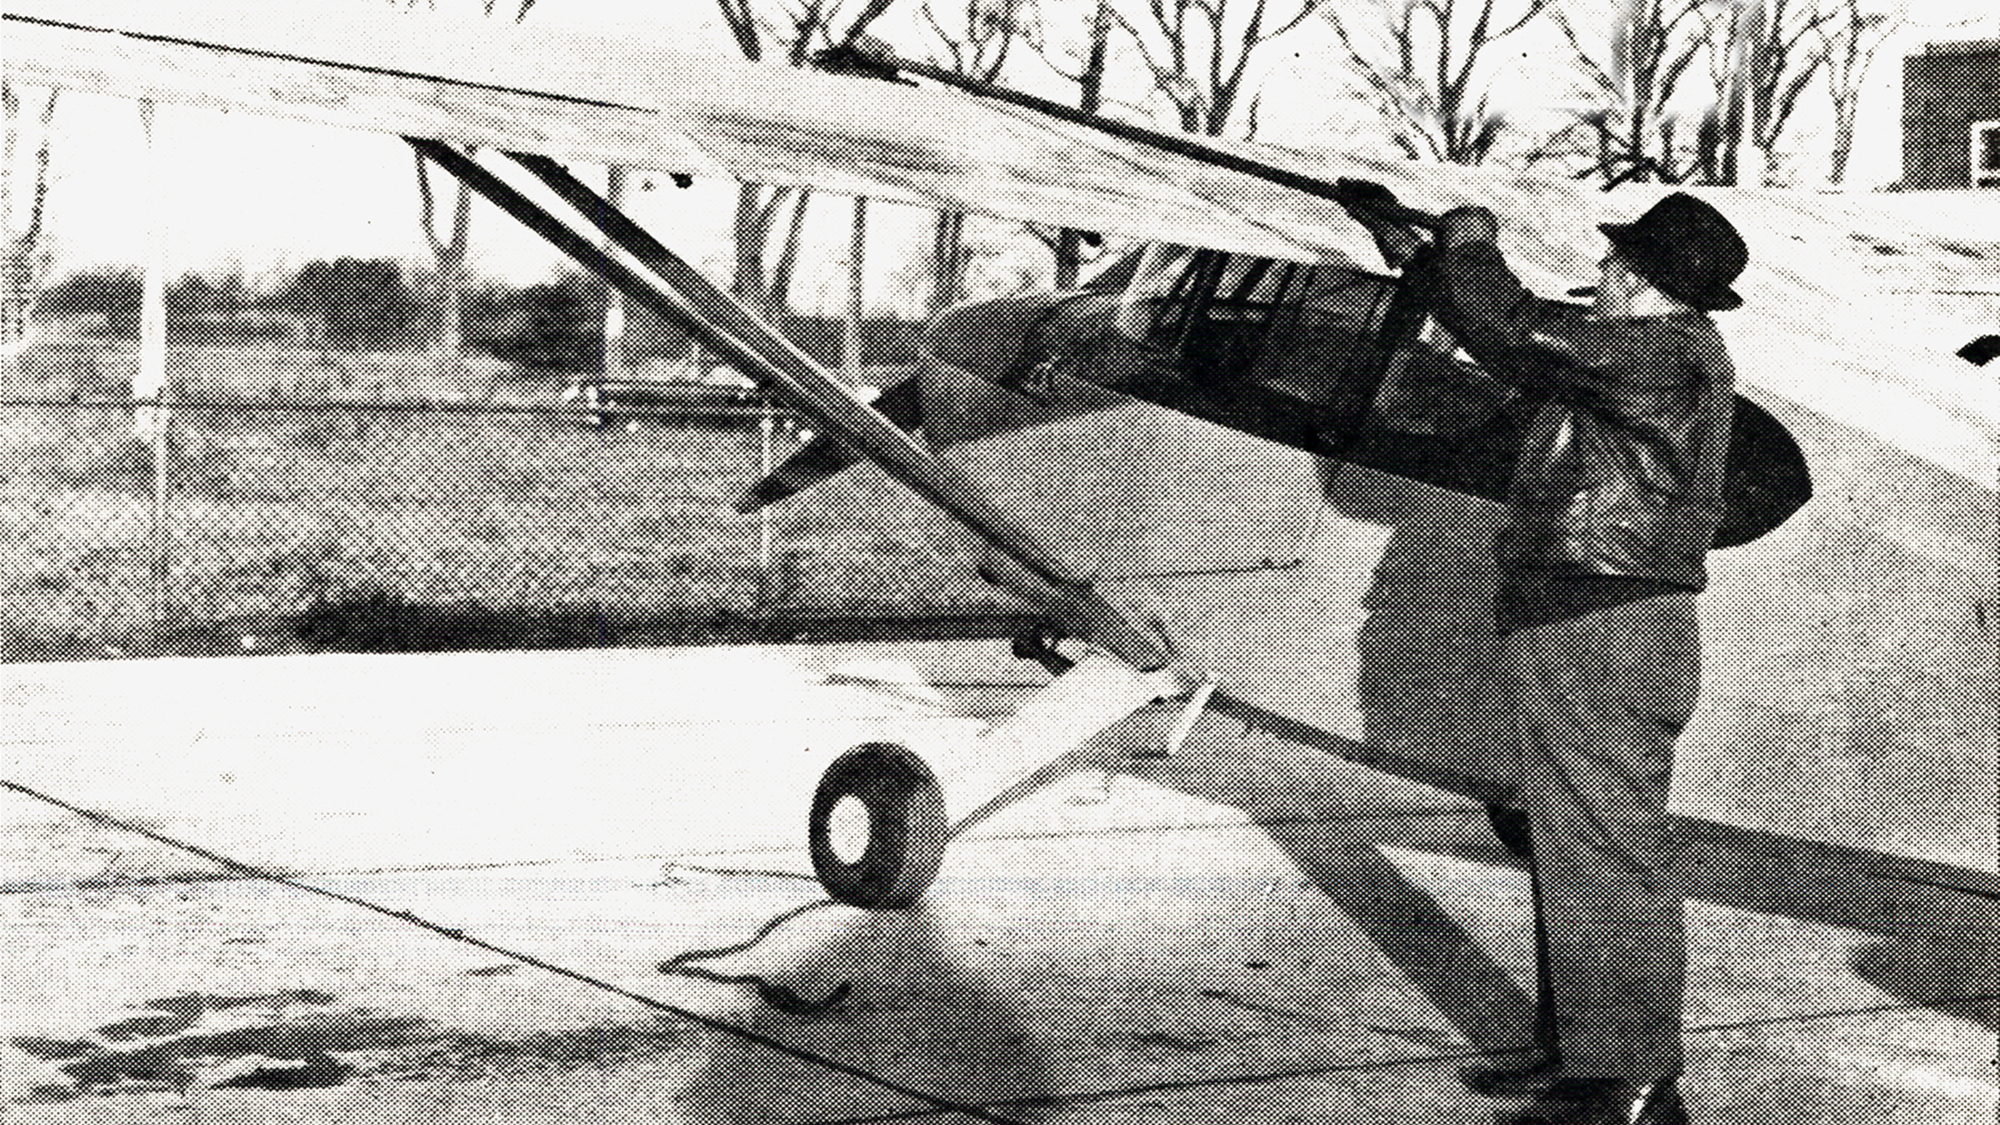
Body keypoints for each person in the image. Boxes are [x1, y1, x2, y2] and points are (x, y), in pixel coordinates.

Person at [1336, 183, 1748, 1125]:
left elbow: (1516, 331)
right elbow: (1509, 325)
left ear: (1639, 283)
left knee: (1606, 850)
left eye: (1609, 265)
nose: (1595, 276)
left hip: (1602, 625)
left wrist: (1471, 239)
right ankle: (1587, 1058)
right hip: (1589, 619)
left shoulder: (1660, 350)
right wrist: (1427, 256)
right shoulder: (1652, 349)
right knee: (1576, 843)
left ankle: (1630, 1081)